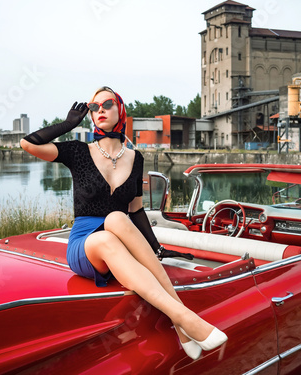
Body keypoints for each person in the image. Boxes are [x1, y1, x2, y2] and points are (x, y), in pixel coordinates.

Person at [20, 86, 227, 360]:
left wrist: (157, 248)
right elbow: (28, 143)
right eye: (94, 108)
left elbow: (136, 211)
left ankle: (181, 326)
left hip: (119, 232)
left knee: (117, 216)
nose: (99, 111)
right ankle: (185, 318)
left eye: (106, 104)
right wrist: (69, 124)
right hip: (87, 244)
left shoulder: (135, 157)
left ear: (120, 110)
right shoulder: (78, 152)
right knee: (110, 228)